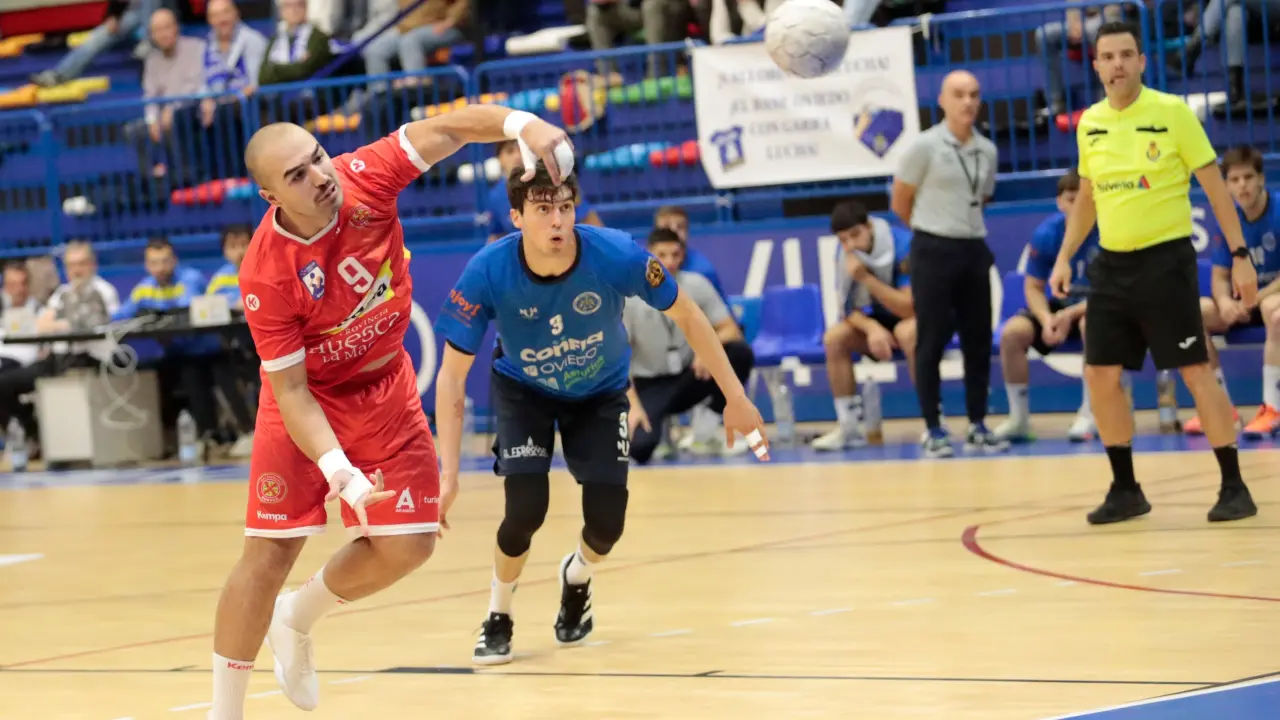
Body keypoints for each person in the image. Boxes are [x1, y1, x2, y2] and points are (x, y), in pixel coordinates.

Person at [207, 106, 573, 719]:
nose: (320, 176)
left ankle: (296, 617)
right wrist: (339, 471)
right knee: (268, 555)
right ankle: (225, 712)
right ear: (271, 197)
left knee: (409, 545)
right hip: (309, 403)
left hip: (384, 389)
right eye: (297, 175)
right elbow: (291, 391)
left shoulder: (364, 175)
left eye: (318, 157)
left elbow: (450, 129)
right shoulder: (266, 272)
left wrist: (522, 126)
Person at [432, 156, 771, 667]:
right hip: (525, 390)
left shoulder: (615, 253)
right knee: (525, 510)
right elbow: (452, 377)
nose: (558, 221)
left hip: (601, 392)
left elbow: (688, 314)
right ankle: (498, 613)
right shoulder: (488, 270)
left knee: (607, 525)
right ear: (516, 217)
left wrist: (736, 397)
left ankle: (577, 575)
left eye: (565, 207)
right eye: (543, 209)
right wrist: (449, 475)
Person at [1048, 20, 1258, 525]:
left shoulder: (1172, 113)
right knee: (1100, 373)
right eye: (1107, 56)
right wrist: (1064, 255)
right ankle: (1126, 489)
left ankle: (1234, 485)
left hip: (1166, 263)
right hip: (1111, 266)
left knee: (1193, 369)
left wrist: (1239, 254)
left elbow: (1215, 189)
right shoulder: (1090, 123)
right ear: (1096, 66)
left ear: (1141, 62)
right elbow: (1088, 198)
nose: (1117, 64)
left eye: (1126, 55)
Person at [890, 70, 1006, 458]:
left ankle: (977, 423)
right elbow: (900, 201)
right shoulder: (924, 146)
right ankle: (933, 427)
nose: (967, 102)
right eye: (959, 94)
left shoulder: (987, 150)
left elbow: (982, 197)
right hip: (932, 250)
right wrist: (932, 230)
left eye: (974, 94)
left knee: (978, 339)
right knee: (931, 339)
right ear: (942, 100)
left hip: (973, 248)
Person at [623, 228, 755, 460]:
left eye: (675, 255)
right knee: (640, 449)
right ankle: (660, 432)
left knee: (739, 353)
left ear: (683, 255)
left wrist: (705, 348)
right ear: (649, 255)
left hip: (689, 375)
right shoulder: (631, 296)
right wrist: (633, 404)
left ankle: (705, 429)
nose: (669, 262)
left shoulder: (697, 285)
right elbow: (618, 357)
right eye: (662, 255)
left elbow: (731, 330)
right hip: (649, 384)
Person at [995, 170, 1103, 443]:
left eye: (1084, 199)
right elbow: (1032, 287)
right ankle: (1019, 419)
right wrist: (1045, 319)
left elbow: (1113, 291)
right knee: (1012, 333)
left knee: (1092, 324)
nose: (1077, 206)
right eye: (1071, 199)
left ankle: (1090, 413)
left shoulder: (1108, 231)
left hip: (1099, 307)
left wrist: (1070, 314)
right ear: (1059, 202)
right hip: (1060, 307)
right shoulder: (1047, 233)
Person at [1183, 145, 1280, 439]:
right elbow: (1220, 276)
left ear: (1261, 178)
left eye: (1248, 177)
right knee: (1195, 314)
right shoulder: (1229, 219)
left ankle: (1273, 409)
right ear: (1226, 185)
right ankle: (1222, 409)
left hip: (1268, 299)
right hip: (1244, 304)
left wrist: (1254, 299)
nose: (1242, 186)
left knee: (1274, 312)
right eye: (1234, 180)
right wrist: (1224, 301)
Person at [812, 200, 916, 451]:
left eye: (855, 235)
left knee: (907, 332)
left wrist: (866, 278)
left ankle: (935, 422)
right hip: (878, 320)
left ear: (869, 226)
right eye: (843, 240)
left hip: (916, 316)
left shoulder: (904, 244)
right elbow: (846, 310)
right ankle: (848, 428)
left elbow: (908, 307)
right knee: (834, 338)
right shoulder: (845, 255)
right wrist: (871, 328)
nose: (850, 245)